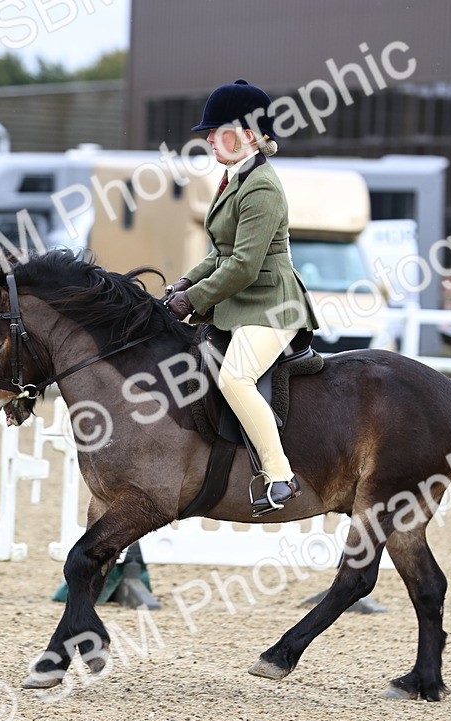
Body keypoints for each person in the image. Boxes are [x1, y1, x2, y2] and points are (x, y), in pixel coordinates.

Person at [164, 79, 319, 516]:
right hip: (243, 302)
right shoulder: (234, 179)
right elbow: (220, 253)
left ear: (250, 135)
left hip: (272, 305)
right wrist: (182, 285)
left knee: (235, 377)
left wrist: (192, 300)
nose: (210, 139)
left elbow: (245, 265)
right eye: (209, 133)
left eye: (219, 132)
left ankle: (280, 477)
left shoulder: (262, 187)